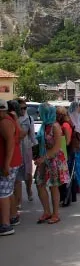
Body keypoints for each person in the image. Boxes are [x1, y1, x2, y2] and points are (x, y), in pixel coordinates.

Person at [34, 104, 69, 225]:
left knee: (53, 186)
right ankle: (46, 212)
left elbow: (57, 147)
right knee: (39, 184)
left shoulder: (55, 126)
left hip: (54, 160)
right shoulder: (44, 125)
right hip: (44, 159)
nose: (40, 115)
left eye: (41, 112)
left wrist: (44, 158)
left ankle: (55, 214)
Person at [0, 99, 22, 235]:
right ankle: (13, 217)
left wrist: (6, 164)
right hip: (12, 161)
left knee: (3, 193)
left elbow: (10, 144)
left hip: (8, 162)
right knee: (8, 191)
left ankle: (5, 224)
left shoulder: (4, 122)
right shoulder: (10, 119)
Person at [17, 99, 37, 202]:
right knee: (17, 177)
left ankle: (29, 190)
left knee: (28, 174)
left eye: (25, 108)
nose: (23, 110)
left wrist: (37, 149)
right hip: (16, 150)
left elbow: (33, 137)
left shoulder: (29, 119)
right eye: (21, 108)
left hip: (27, 149)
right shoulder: (14, 119)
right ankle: (18, 200)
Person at [68, 101, 80, 194]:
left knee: (78, 167)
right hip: (75, 146)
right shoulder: (71, 118)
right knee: (75, 167)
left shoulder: (78, 117)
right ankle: (74, 186)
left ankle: (77, 186)